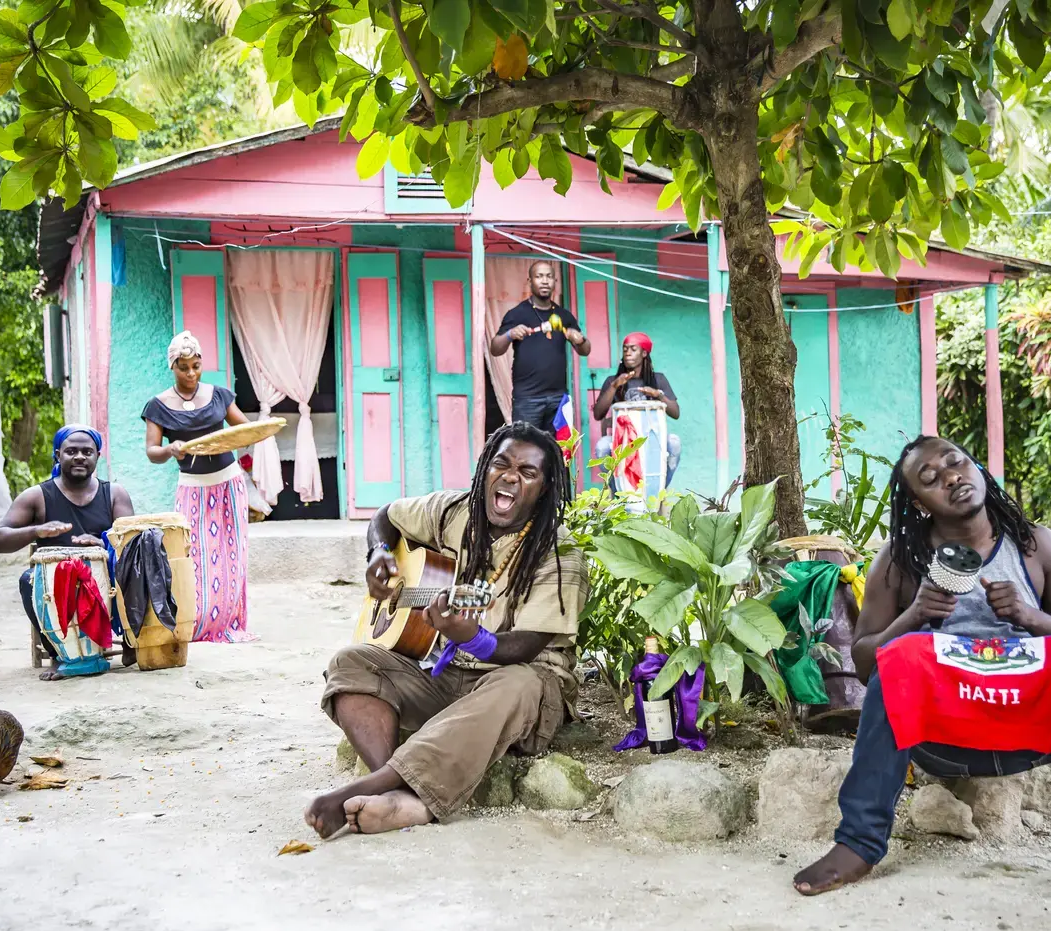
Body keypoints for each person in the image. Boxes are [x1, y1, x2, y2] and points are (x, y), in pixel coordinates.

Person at [793, 436, 1051, 914]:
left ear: (978, 468)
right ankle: (858, 844)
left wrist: (1031, 616)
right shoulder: (899, 561)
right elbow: (863, 663)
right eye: (930, 479)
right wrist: (913, 615)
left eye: (956, 462)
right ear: (919, 504)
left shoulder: (1034, 545)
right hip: (944, 739)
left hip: (1030, 732)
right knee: (902, 655)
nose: (950, 477)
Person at [305, 422, 589, 838]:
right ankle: (394, 793)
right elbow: (387, 515)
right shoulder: (456, 511)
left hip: (518, 688)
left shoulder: (559, 553)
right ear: (485, 470)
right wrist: (379, 553)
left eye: (527, 473)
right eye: (502, 464)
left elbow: (528, 645)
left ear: (544, 488)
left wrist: (472, 637)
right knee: (350, 663)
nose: (510, 476)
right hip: (442, 676)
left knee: (518, 684)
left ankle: (379, 787)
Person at [0, 425, 134, 680]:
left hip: (105, 581)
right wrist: (38, 530)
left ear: (97, 456)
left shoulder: (113, 494)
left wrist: (103, 543)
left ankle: (131, 642)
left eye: (87, 451)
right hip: (57, 587)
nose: (80, 456)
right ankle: (59, 654)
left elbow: (131, 544)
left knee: (136, 568)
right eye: (71, 451)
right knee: (28, 580)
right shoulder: (37, 496)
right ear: (58, 455)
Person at [142, 331, 255, 643]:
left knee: (232, 554)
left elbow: (245, 430)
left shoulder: (219, 395)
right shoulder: (158, 405)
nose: (191, 373)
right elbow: (152, 452)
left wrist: (257, 441)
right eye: (183, 367)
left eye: (196, 365)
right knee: (197, 557)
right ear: (172, 367)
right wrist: (170, 449)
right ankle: (198, 622)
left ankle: (229, 624)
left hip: (229, 484)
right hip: (193, 489)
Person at [489, 261, 589, 432]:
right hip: (527, 399)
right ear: (530, 281)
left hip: (558, 398)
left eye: (549, 277)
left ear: (555, 282)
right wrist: (509, 334)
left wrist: (580, 340)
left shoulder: (564, 316)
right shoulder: (517, 314)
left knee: (559, 452)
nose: (544, 281)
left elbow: (585, 351)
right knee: (525, 450)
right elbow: (495, 349)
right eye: (539, 276)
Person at [592, 332, 682, 486]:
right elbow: (598, 414)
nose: (628, 353)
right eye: (625, 349)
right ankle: (618, 493)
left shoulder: (658, 380)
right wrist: (614, 386)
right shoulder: (613, 381)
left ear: (644, 353)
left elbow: (675, 413)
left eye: (633, 349)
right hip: (621, 441)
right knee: (602, 448)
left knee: (674, 444)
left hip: (653, 440)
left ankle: (658, 489)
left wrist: (658, 395)